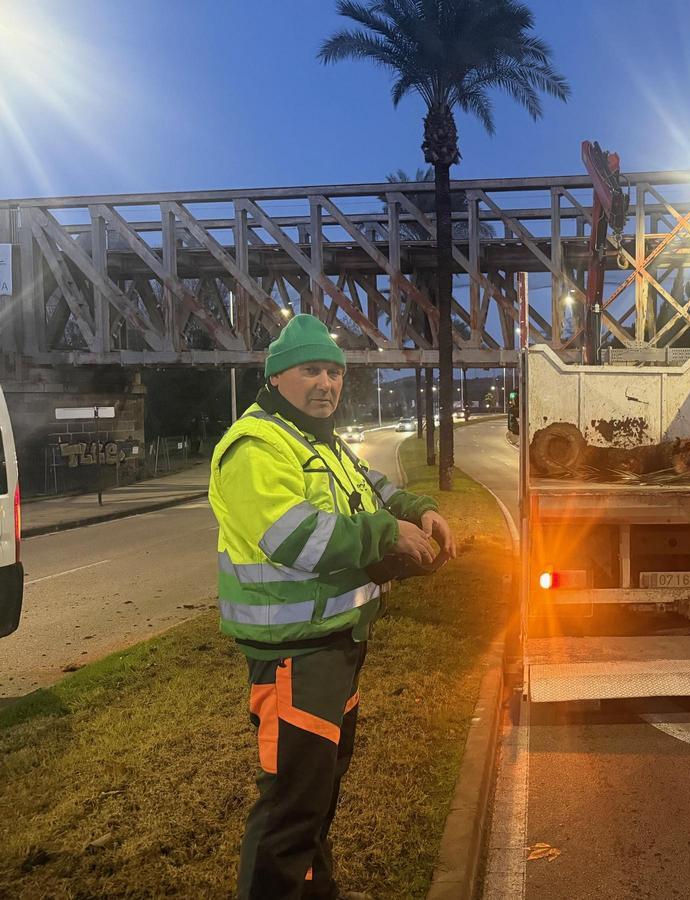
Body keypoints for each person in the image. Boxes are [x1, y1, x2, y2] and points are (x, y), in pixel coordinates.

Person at [209, 314, 456, 899]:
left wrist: (417, 508)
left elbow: (373, 486)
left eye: (335, 372)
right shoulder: (254, 447)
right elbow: (295, 539)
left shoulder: (318, 441)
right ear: (277, 378)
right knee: (290, 812)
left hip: (335, 649)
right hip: (295, 658)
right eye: (311, 371)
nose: (326, 383)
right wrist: (385, 536)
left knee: (317, 801)